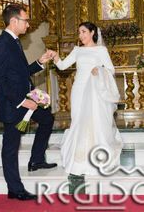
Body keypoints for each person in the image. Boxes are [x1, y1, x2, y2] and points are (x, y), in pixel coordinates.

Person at [0, 4, 57, 201]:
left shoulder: (15, 42)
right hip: (14, 104)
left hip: (27, 99)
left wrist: (40, 61)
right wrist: (21, 101)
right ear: (14, 21)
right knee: (11, 146)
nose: (28, 24)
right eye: (25, 20)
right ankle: (15, 189)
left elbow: (20, 73)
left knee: (47, 119)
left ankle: (36, 160)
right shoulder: (1, 43)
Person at [52, 21, 123, 176]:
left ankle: (97, 155)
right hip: (79, 89)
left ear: (92, 33)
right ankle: (78, 157)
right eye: (79, 32)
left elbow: (111, 70)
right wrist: (56, 57)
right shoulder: (77, 50)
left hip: (95, 91)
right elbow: (63, 66)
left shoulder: (101, 50)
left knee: (95, 120)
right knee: (78, 119)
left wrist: (100, 70)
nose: (81, 35)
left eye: (84, 32)